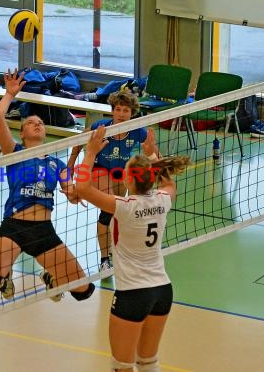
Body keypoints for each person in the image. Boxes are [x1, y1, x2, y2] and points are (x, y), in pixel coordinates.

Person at [0, 69, 95, 302]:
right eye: (31, 123)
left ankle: (51, 278)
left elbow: (70, 190)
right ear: (22, 134)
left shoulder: (56, 163)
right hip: (15, 226)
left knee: (83, 291)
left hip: (43, 231)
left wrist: (73, 192)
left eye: (40, 123)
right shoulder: (15, 153)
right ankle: (6, 277)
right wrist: (9, 94)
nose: (37, 124)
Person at [76, 125, 190, 372]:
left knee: (122, 366)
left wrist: (91, 153)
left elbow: (83, 189)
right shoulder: (163, 200)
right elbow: (170, 184)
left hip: (133, 293)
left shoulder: (124, 206)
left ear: (128, 179)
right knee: (148, 362)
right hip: (162, 290)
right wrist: (152, 155)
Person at [67, 90, 160, 272]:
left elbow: (154, 152)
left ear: (132, 113)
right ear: (112, 111)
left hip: (120, 172)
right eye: (118, 109)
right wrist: (71, 164)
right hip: (100, 169)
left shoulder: (137, 131)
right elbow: (79, 142)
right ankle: (104, 260)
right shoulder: (101, 127)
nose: (121, 114)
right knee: (108, 211)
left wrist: (158, 164)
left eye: (126, 110)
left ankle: (115, 251)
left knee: (118, 210)